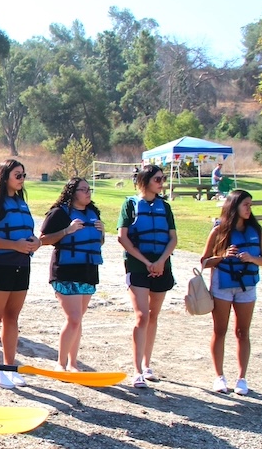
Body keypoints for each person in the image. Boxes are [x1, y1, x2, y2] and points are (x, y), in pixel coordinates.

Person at [0, 159, 39, 389]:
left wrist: (35, 242)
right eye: (17, 175)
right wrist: (14, 246)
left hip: (21, 265)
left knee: (12, 317)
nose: (22, 179)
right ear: (5, 176)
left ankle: (10, 367)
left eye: (23, 175)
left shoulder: (21, 202)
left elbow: (27, 232)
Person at [200, 190, 262, 395]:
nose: (249, 208)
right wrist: (222, 255)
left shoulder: (256, 231)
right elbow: (204, 261)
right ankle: (219, 376)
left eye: (250, 204)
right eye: (246, 204)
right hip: (222, 285)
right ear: (234, 206)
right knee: (219, 330)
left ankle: (242, 378)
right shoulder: (219, 231)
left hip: (247, 287)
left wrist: (251, 258)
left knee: (242, 332)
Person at [117, 164, 177, 389]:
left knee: (153, 316)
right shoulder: (130, 204)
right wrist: (146, 262)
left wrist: (161, 261)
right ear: (146, 180)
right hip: (138, 266)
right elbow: (122, 237)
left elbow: (173, 238)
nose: (162, 183)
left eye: (163, 179)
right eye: (158, 179)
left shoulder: (165, 207)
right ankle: (137, 370)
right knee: (142, 316)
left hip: (162, 265)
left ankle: (147, 364)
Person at [38, 178, 104, 372]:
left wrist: (102, 233)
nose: (88, 192)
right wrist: (67, 230)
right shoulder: (59, 213)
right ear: (72, 192)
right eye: (83, 189)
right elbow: (43, 239)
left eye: (88, 189)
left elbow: (97, 243)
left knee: (78, 319)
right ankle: (60, 363)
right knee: (74, 318)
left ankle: (73, 363)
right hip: (66, 271)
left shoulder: (94, 213)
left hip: (88, 271)